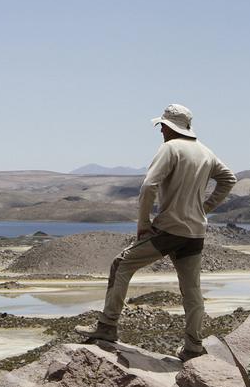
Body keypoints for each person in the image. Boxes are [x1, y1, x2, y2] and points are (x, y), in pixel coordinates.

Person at [76, 104, 237, 361]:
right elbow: (229, 179)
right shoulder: (206, 152)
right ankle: (193, 347)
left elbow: (149, 185)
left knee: (121, 265)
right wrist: (204, 208)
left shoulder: (170, 148)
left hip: (170, 229)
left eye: (162, 126)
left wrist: (143, 223)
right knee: (192, 291)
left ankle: (107, 327)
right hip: (195, 233)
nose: (160, 130)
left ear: (170, 127)